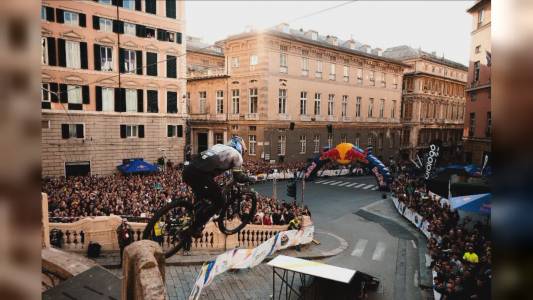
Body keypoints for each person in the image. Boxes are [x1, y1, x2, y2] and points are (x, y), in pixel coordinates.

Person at [182, 135, 253, 238]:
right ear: (240, 147)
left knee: (202, 199)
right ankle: (195, 228)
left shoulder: (218, 146)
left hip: (188, 170)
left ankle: (189, 223)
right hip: (201, 175)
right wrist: (250, 178)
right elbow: (239, 176)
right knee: (219, 202)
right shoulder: (237, 155)